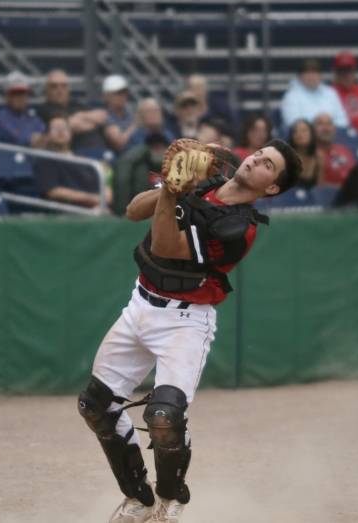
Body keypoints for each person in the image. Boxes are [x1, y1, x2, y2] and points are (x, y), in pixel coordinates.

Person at [77, 138, 302, 523]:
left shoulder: (238, 227)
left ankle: (170, 499)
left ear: (272, 188)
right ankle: (138, 499)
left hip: (185, 321)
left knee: (164, 416)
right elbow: (133, 212)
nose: (257, 159)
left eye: (269, 165)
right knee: (95, 407)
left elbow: (166, 245)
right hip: (140, 305)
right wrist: (169, 183)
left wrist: (176, 192)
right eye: (260, 153)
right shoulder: (205, 180)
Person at [33, 115, 110, 208]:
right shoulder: (44, 160)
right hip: (66, 212)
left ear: (71, 133)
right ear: (47, 135)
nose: (60, 131)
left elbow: (102, 184)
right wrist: (92, 199)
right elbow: (53, 191)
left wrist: (106, 196)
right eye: (56, 128)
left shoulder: (85, 159)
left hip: (97, 208)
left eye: (64, 128)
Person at [35, 69, 108, 150]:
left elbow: (102, 116)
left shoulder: (76, 104)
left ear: (69, 88)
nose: (60, 90)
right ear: (47, 90)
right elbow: (68, 126)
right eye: (54, 86)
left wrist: (79, 117)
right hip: (74, 154)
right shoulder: (44, 109)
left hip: (100, 151)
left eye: (64, 85)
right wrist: (89, 120)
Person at [110, 131, 169, 216]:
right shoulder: (140, 169)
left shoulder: (171, 167)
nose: (159, 152)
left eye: (161, 148)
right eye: (155, 148)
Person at [280, 59, 349, 129]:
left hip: (332, 137)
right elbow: (292, 123)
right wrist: (319, 126)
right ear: (299, 77)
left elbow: (343, 121)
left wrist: (326, 126)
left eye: (315, 72)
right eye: (307, 73)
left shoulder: (331, 92)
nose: (311, 76)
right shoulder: (291, 96)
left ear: (320, 76)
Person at [0, 71, 47, 148]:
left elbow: (44, 135)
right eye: (15, 94)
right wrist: (34, 139)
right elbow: (17, 140)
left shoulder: (32, 117)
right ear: (7, 97)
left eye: (23, 94)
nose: (20, 98)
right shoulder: (0, 118)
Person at [313, 112, 356, 187]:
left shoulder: (344, 150)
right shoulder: (311, 154)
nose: (326, 128)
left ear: (334, 129)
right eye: (320, 124)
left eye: (329, 124)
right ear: (312, 130)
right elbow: (317, 188)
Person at [102, 74, 141, 154]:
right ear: (107, 96)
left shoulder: (129, 115)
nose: (123, 96)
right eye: (118, 93)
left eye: (124, 92)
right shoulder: (106, 116)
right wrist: (135, 125)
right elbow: (119, 143)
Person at [287, 118, 322, 188]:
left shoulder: (319, 157)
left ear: (312, 134)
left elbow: (320, 189)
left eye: (304, 130)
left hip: (311, 197)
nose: (299, 134)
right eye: (295, 131)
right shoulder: (286, 156)